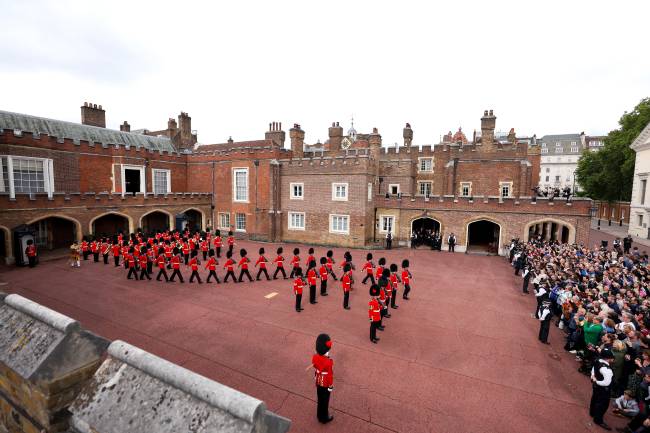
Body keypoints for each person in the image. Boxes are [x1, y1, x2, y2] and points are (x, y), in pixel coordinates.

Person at [590, 349, 615, 430]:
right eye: (611, 357)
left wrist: (593, 377)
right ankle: (598, 420)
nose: (613, 358)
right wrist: (596, 381)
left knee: (594, 398)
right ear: (608, 358)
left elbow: (593, 369)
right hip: (604, 389)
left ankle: (592, 412)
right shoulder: (607, 370)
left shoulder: (597, 360)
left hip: (596, 387)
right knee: (603, 404)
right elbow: (606, 383)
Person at [312, 334, 334, 424]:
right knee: (325, 401)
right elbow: (330, 376)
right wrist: (330, 386)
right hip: (325, 383)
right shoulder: (329, 362)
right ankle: (324, 418)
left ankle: (319, 415)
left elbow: (315, 366)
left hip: (318, 381)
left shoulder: (314, 357)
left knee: (320, 399)